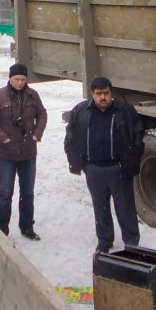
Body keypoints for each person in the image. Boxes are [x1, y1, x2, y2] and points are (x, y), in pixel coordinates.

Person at [64, 76, 144, 254]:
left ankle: (131, 243)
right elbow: (71, 137)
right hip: (94, 170)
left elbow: (138, 136)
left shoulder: (124, 111)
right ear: (92, 94)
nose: (102, 97)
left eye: (106, 93)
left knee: (125, 208)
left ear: (111, 93)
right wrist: (81, 163)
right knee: (100, 208)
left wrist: (131, 161)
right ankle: (104, 241)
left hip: (119, 170)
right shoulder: (81, 111)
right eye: (98, 94)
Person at [0, 62, 48, 240]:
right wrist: (2, 137)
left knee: (27, 193)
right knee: (5, 193)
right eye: (16, 79)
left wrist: (37, 134)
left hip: (28, 153)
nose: (20, 82)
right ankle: (1, 230)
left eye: (23, 79)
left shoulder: (32, 95)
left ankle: (27, 226)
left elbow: (42, 114)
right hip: (7, 154)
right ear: (10, 78)